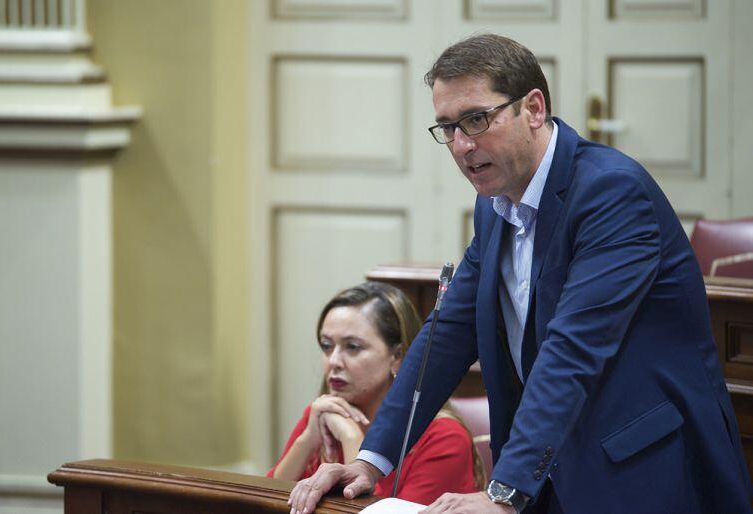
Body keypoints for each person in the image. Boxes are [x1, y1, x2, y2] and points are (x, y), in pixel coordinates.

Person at [287, 34, 753, 514]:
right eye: (448, 127)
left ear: (533, 108)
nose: (462, 145)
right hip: (552, 468)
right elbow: (447, 332)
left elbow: (572, 349)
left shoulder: (612, 193)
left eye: (476, 119)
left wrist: (504, 491)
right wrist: (371, 460)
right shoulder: (494, 205)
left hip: (641, 472)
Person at [269, 281, 483, 505]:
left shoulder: (444, 437)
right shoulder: (324, 413)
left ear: (398, 357)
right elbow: (261, 502)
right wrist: (307, 440)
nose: (334, 361)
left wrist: (353, 440)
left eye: (353, 347)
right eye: (326, 345)